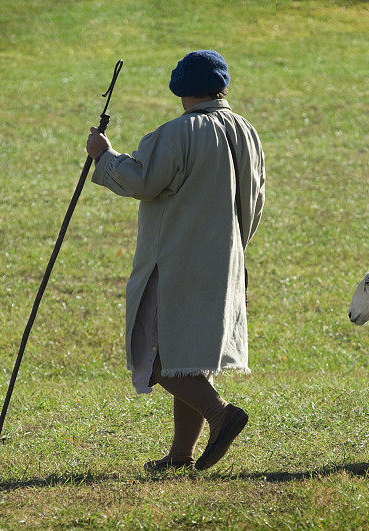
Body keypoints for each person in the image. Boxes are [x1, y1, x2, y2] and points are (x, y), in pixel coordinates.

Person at [85, 50, 265, 471]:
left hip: (175, 263)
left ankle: (222, 415)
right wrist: (233, 249)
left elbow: (143, 181)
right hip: (226, 260)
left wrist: (103, 155)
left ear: (180, 89)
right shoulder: (246, 131)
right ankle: (181, 455)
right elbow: (255, 200)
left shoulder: (177, 133)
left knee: (156, 353)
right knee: (192, 355)